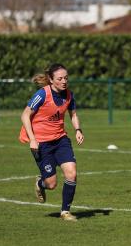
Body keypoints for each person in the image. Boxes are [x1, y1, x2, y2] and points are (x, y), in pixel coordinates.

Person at [19, 63, 84, 221]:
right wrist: (33, 139)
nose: (64, 81)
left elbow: (73, 115)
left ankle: (65, 212)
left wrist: (78, 130)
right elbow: (25, 115)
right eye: (60, 79)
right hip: (42, 143)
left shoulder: (69, 95)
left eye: (66, 78)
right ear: (51, 80)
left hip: (61, 140)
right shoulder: (42, 95)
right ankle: (40, 183)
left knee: (72, 173)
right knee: (52, 184)